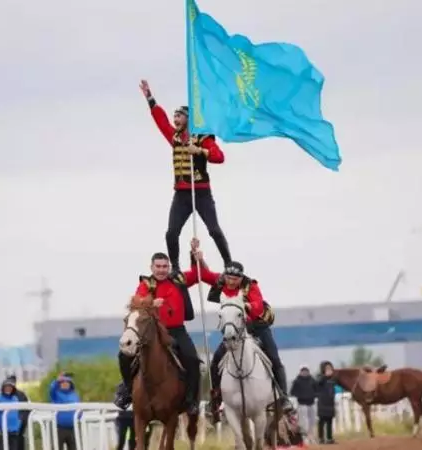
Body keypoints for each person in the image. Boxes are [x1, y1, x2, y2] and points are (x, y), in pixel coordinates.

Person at [190, 239, 293, 420]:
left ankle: (283, 397)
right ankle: (215, 399)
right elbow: (205, 275)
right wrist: (198, 257)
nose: (231, 282)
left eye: (235, 279)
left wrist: (247, 307)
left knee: (274, 357)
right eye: (229, 278)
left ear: (241, 278)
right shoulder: (222, 281)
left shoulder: (250, 285)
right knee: (215, 362)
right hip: (234, 331)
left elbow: (259, 305)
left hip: (257, 326)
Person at [140, 79, 232, 271]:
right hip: (182, 194)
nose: (175, 119)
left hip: (201, 193)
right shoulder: (174, 138)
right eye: (175, 115)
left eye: (179, 115)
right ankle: (175, 268)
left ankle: (228, 263)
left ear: (188, 119)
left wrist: (199, 151)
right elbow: (161, 121)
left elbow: (219, 157)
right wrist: (150, 99)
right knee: (171, 233)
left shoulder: (203, 138)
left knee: (214, 230)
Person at [114, 245, 203, 416]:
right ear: (152, 267)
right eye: (158, 266)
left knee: (192, 359)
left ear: (169, 267)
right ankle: (127, 390)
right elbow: (136, 301)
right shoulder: (146, 284)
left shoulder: (178, 280)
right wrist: (151, 303)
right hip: (152, 331)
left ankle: (191, 399)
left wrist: (196, 256)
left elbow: (196, 272)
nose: (162, 270)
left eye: (165, 266)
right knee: (124, 355)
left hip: (177, 330)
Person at [49, 373, 80, 450]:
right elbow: (51, 389)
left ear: (70, 384)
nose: (65, 384)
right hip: (59, 428)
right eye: (63, 382)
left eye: (67, 382)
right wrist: (57, 380)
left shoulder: (74, 395)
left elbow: (79, 408)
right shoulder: (56, 394)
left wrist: (78, 417)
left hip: (72, 428)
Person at [0, 378, 23, 450]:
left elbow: (19, 413)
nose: (8, 389)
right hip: (2, 432)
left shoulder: (15, 399)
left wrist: (19, 423)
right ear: (3, 388)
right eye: (6, 387)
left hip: (14, 432)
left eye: (10, 387)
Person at [289, 365, 319, 440]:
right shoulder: (297, 381)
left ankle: (311, 435)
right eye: (303, 370)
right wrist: (300, 395)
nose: (305, 372)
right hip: (302, 404)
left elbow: (317, 390)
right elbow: (292, 392)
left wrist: (314, 395)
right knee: (303, 421)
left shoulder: (312, 380)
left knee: (312, 420)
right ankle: (304, 437)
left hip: (311, 403)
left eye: (306, 370)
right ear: (300, 371)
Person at [5, 374, 30, 450]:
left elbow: (26, 409)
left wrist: (21, 421)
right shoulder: (4, 395)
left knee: (19, 441)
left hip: (20, 423)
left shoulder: (21, 394)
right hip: (8, 426)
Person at [314, 361, 337, 444]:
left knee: (330, 421)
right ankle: (321, 438)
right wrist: (324, 376)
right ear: (323, 369)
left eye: (330, 368)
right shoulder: (320, 378)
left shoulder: (333, 379)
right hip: (322, 403)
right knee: (321, 421)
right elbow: (318, 383)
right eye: (327, 368)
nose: (329, 370)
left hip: (330, 403)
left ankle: (329, 438)